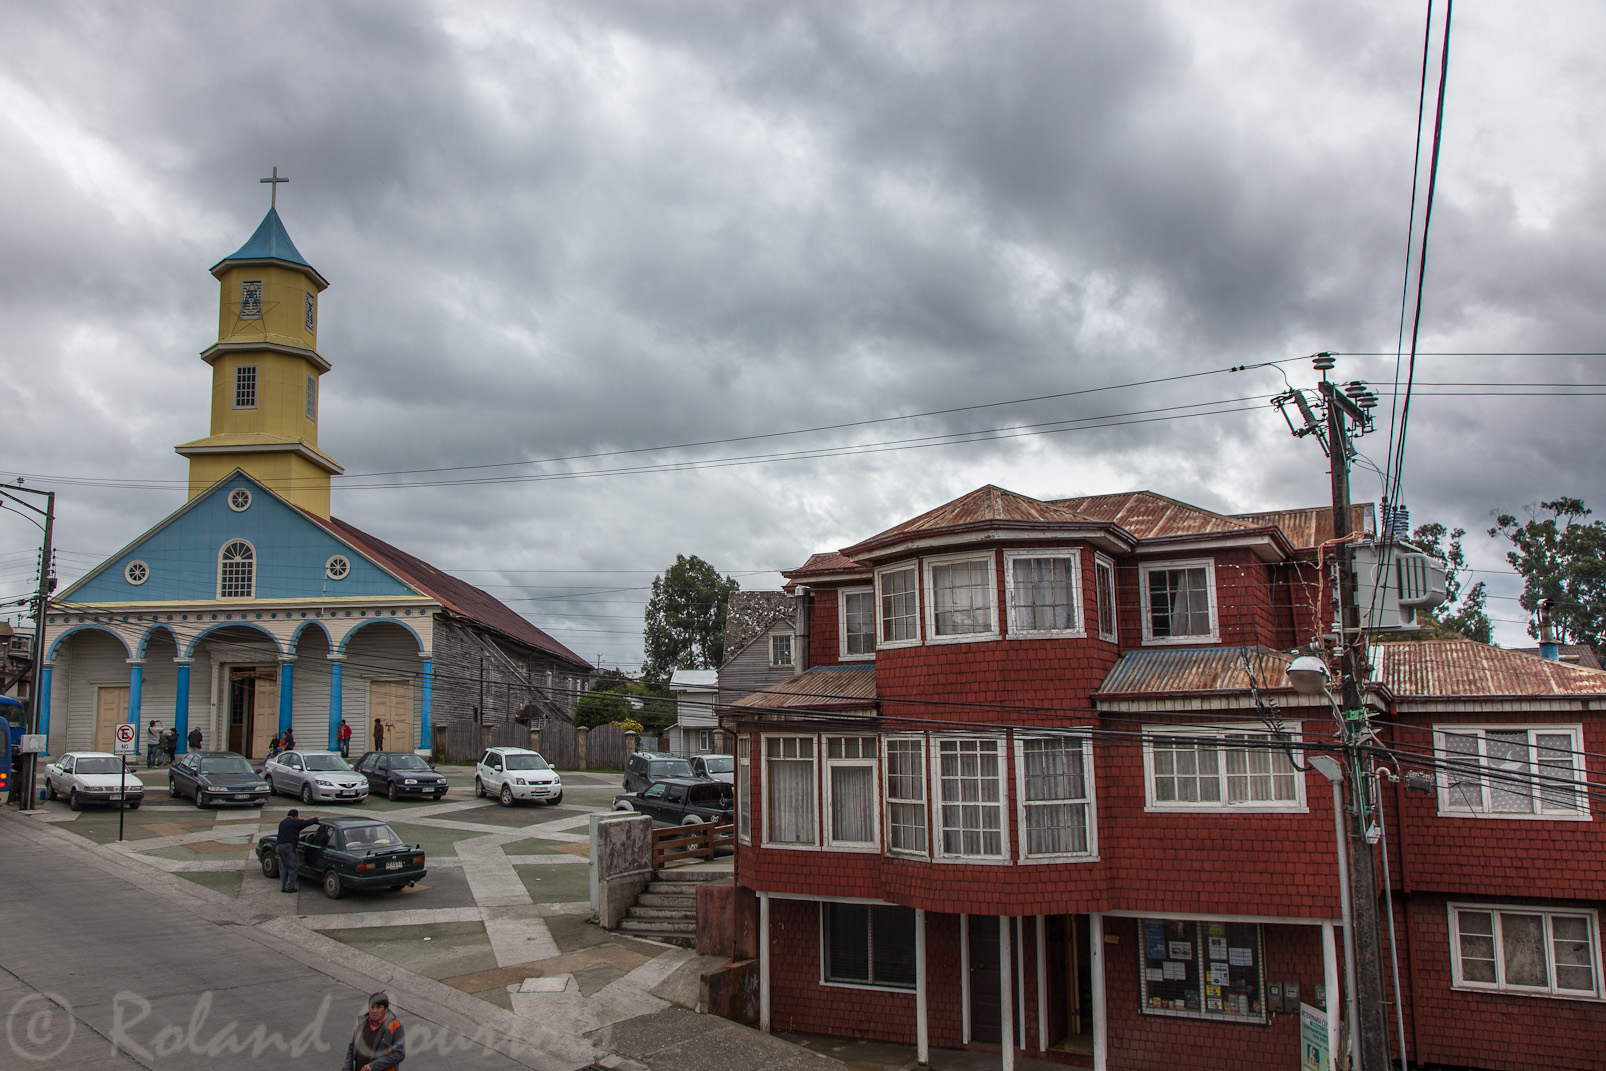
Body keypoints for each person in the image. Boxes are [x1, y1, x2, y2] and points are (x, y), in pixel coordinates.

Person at [342, 992, 405, 1071]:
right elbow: (351, 1050)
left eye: (379, 1007)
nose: (374, 1011)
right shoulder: (361, 1025)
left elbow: (399, 1054)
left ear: (386, 1009)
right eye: (372, 1007)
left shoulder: (395, 1026)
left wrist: (373, 1066)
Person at [275, 808, 319, 893]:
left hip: (279, 846)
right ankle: (290, 887)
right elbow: (306, 823)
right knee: (293, 867)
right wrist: (315, 819)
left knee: (283, 867)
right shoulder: (294, 822)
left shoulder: (282, 823)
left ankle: (283, 887)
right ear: (295, 816)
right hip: (288, 846)